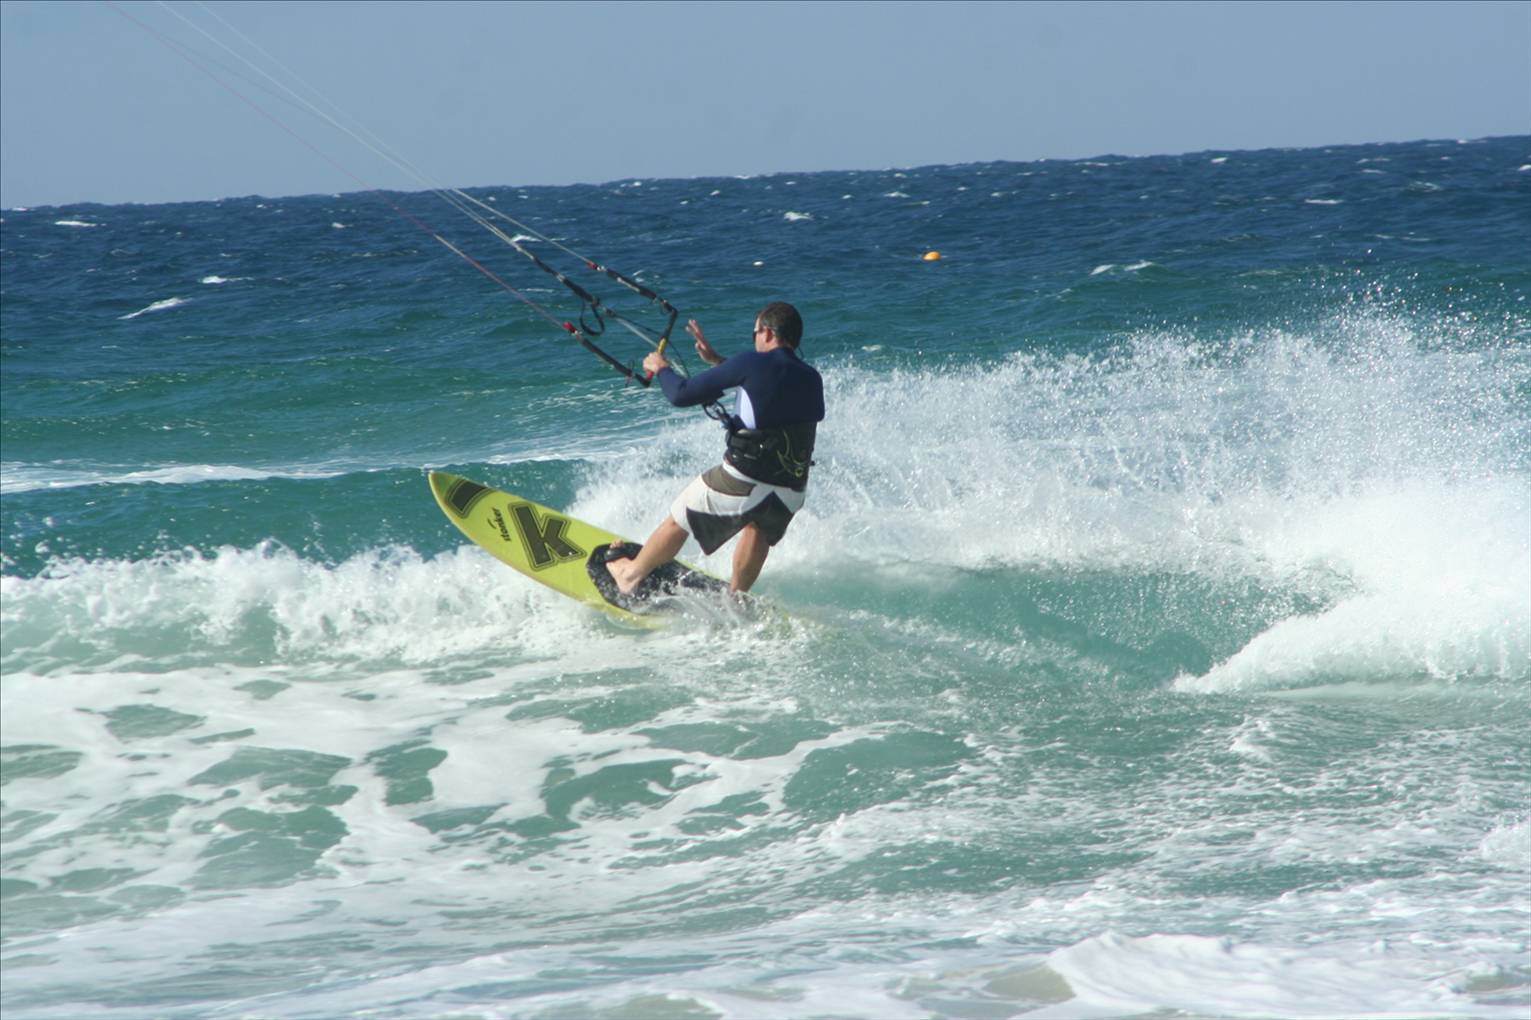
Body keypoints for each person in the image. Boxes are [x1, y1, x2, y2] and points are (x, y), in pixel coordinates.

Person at [606, 301, 824, 595]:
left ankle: (630, 576)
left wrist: (661, 369)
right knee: (758, 527)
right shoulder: (811, 377)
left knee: (680, 514)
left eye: (755, 333)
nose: (755, 340)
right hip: (791, 488)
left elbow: (680, 395)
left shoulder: (751, 363)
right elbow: (767, 389)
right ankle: (737, 596)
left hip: (746, 477)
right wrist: (718, 361)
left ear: (769, 334)